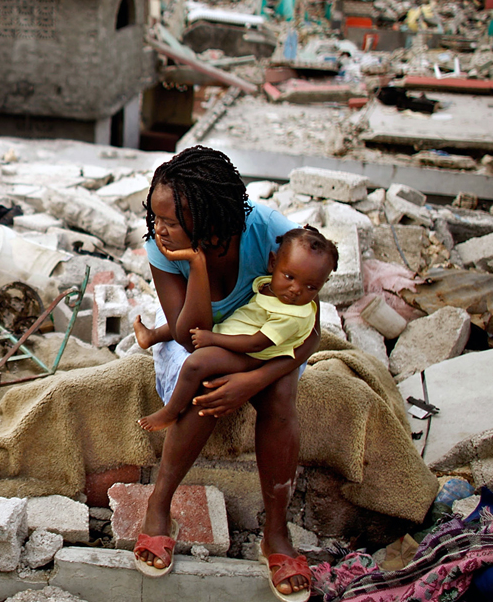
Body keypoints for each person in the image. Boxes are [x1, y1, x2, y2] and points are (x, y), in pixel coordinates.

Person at [130, 146, 319, 602]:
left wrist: (253, 382)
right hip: (202, 341)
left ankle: (275, 533)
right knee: (204, 386)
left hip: (263, 342)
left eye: (171, 221)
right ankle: (159, 506)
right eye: (155, 218)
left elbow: (309, 333)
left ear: (212, 216)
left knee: (278, 400)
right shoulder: (163, 248)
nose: (159, 229)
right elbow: (189, 333)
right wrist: (194, 263)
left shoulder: (272, 234)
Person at [134, 227, 338, 432]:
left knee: (195, 364)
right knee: (197, 319)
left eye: (311, 287)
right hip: (239, 330)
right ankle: (152, 336)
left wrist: (213, 339)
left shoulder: (293, 315)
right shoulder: (272, 286)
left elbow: (256, 343)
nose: (296, 290)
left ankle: (171, 412)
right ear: (273, 263)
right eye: (289, 277)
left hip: (253, 354)